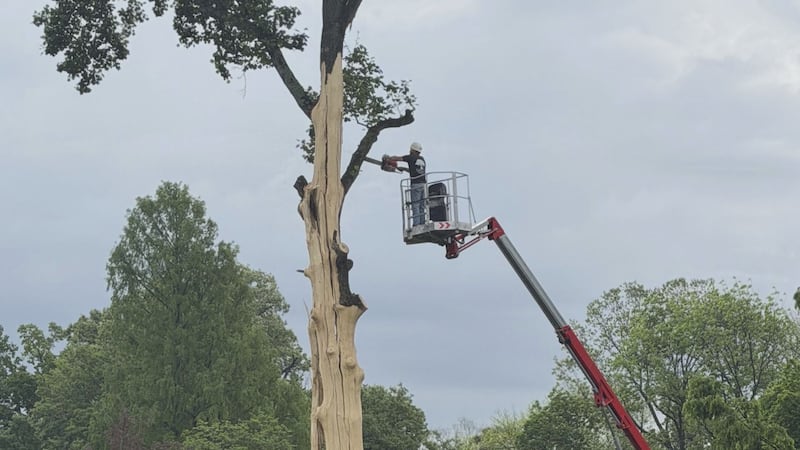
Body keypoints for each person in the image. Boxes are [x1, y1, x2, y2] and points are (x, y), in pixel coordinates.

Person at [389, 142, 427, 226]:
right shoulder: (422, 159)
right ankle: (422, 223)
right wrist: (404, 169)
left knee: (415, 205)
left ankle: (416, 224)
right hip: (424, 184)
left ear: (412, 150)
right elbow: (416, 170)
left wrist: (388, 158)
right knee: (421, 205)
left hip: (416, 184)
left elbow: (397, 158)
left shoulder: (410, 157)